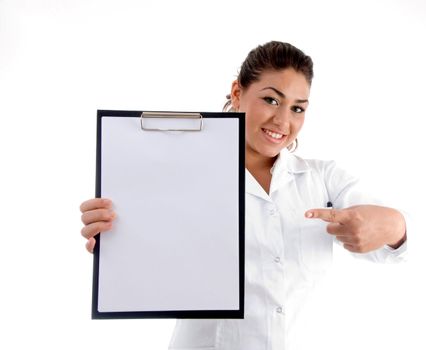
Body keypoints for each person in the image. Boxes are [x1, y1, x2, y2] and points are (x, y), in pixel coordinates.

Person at [79, 41, 407, 350]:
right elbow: (149, 261)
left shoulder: (323, 179)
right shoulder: (183, 172)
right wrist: (119, 242)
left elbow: (394, 246)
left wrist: (393, 225)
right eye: (271, 100)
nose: (283, 120)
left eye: (298, 108)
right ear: (238, 92)